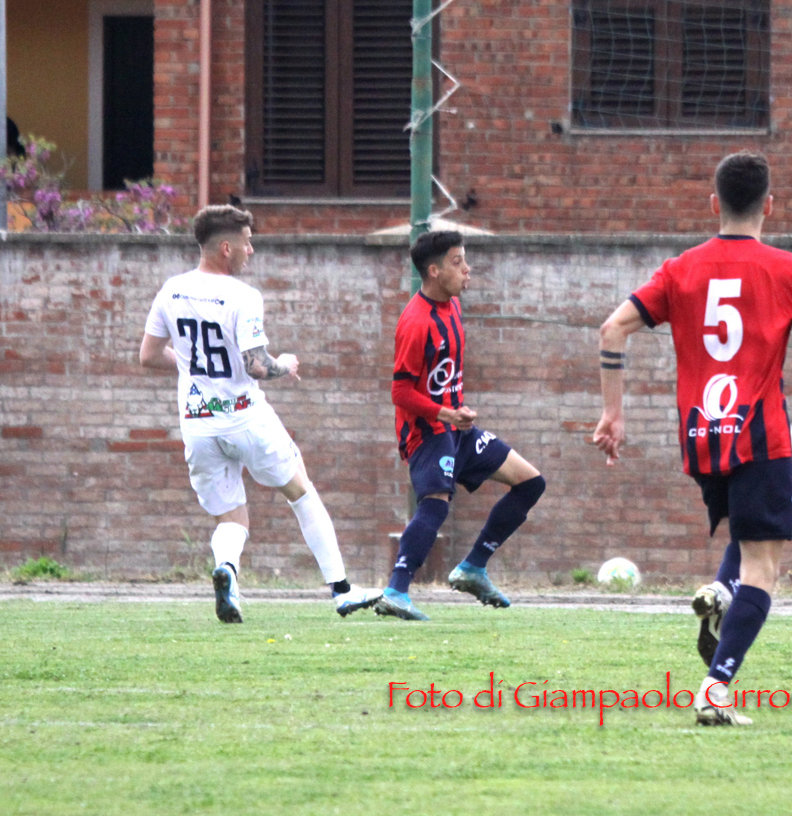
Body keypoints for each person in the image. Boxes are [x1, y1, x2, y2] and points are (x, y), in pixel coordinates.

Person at [594, 151, 792, 726]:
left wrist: (613, 415)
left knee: (747, 542)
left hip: (701, 434)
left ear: (713, 203)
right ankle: (715, 688)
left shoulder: (680, 269)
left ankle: (722, 595)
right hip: (761, 435)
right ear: (769, 205)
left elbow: (612, 328)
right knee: (763, 568)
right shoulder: (787, 269)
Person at [140, 205, 382, 623]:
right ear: (226, 248)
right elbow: (257, 366)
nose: (251, 250)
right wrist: (285, 364)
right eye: (247, 243)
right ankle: (342, 591)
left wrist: (192, 367)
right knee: (301, 490)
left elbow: (148, 356)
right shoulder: (243, 296)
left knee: (231, 515)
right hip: (246, 418)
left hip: (198, 423)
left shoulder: (171, 291)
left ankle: (227, 570)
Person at [374, 230, 546, 621]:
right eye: (458, 262)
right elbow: (400, 392)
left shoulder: (452, 307)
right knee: (435, 504)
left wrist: (456, 410)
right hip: (427, 433)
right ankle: (395, 592)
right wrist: (445, 414)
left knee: (530, 483)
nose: (467, 269)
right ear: (434, 271)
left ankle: (473, 567)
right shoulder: (416, 322)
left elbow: (442, 375)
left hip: (457, 430)